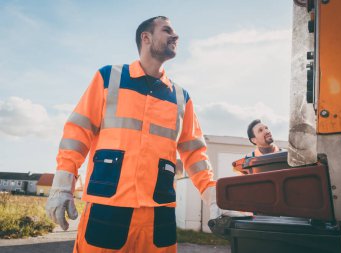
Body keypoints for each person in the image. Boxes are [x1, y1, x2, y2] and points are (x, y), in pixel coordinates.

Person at [45, 16, 218, 253]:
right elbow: (77, 133)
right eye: (167, 30)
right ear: (145, 38)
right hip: (108, 207)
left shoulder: (181, 97)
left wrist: (213, 197)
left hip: (159, 214)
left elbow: (195, 154)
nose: (175, 36)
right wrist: (62, 186)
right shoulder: (108, 78)